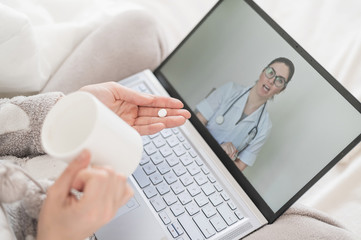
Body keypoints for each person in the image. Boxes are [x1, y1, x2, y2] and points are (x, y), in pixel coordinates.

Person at [0, 82, 191, 240]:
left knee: (143, 36)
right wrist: (57, 235)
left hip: (17, 174)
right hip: (51, 221)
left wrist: (58, 113)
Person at [195, 57, 295, 171]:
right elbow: (197, 122)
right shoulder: (230, 89)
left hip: (215, 170)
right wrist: (218, 148)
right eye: (271, 73)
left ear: (281, 90)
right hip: (194, 147)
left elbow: (239, 167)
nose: (271, 81)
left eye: (280, 80)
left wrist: (229, 158)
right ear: (262, 72)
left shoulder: (264, 127)